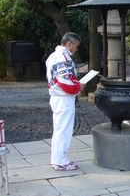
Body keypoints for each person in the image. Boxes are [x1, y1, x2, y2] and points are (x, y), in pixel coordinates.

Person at [46, 32, 82, 171]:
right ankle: (60, 161)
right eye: (76, 46)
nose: (76, 49)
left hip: (57, 96)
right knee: (63, 130)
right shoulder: (63, 57)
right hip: (63, 97)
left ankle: (58, 159)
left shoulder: (52, 56)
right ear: (69, 44)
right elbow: (65, 81)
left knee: (60, 129)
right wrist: (79, 86)